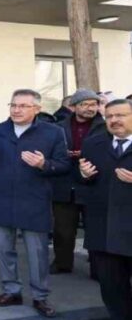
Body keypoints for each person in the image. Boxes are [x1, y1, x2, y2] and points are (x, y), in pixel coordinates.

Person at [0, 89, 69, 317]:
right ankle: (11, 291)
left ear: (37, 108)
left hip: (34, 201)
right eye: (13, 105)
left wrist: (44, 164)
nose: (16, 110)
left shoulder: (52, 132)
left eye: (23, 106)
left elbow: (64, 166)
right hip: (2, 198)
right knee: (4, 250)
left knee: (37, 253)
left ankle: (40, 296)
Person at [77, 99, 132, 320]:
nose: (114, 120)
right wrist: (84, 176)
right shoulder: (93, 144)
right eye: (109, 116)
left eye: (121, 115)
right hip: (104, 228)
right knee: (111, 285)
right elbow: (83, 186)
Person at [51, 89, 106, 275]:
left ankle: (98, 269)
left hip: (94, 182)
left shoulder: (105, 126)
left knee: (95, 229)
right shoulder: (58, 126)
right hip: (64, 182)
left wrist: (85, 155)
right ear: (73, 107)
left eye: (94, 104)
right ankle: (62, 263)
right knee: (62, 229)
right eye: (85, 104)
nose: (90, 108)